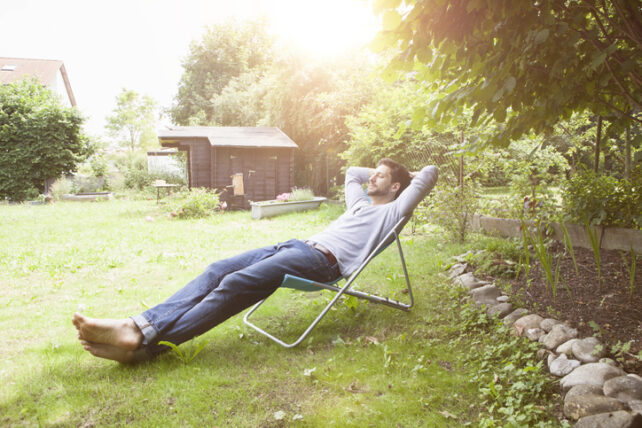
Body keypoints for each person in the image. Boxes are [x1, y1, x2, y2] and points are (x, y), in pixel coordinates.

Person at [73, 159, 438, 363]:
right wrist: (381, 169)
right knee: (218, 270)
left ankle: (142, 342)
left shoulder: (394, 213)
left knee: (234, 284)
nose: (371, 176)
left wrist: (401, 177)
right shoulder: (359, 202)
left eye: (382, 176)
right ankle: (137, 329)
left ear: (395, 188)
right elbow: (352, 174)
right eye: (373, 172)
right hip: (296, 246)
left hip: (320, 263)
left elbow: (429, 173)